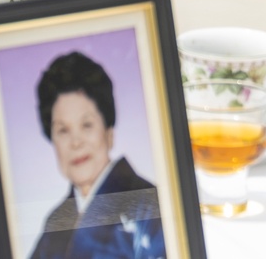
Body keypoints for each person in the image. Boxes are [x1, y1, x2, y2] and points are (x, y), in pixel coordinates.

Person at [29, 51, 165, 259]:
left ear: (108, 131)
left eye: (87, 125)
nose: (75, 142)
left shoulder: (147, 206)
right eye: (63, 130)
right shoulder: (57, 220)